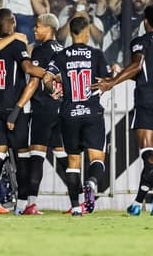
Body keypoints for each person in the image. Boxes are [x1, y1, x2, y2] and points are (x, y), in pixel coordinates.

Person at [94, 3, 153, 217]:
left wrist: (111, 82)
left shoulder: (141, 41)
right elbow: (149, 70)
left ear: (145, 21)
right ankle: (138, 203)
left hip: (149, 99)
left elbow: (137, 66)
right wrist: (122, 73)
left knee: (146, 150)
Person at [0, 9, 47, 216]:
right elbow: (27, 68)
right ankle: (22, 205)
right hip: (13, 106)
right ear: (13, 21)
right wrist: (51, 74)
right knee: (22, 156)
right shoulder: (15, 43)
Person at [45, 15, 110, 216]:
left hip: (69, 113)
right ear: (87, 32)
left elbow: (46, 78)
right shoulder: (96, 54)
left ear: (71, 33)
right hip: (92, 112)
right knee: (97, 158)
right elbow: (106, 81)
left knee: (73, 162)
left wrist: (53, 91)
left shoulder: (61, 55)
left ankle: (75, 207)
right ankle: (91, 182)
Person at [4, 13, 65, 215]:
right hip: (60, 108)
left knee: (36, 157)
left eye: (38, 26)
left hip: (43, 108)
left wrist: (17, 109)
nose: (34, 29)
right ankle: (80, 199)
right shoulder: (63, 49)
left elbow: (33, 81)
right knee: (62, 156)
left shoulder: (41, 50)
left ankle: (29, 204)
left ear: (48, 28)